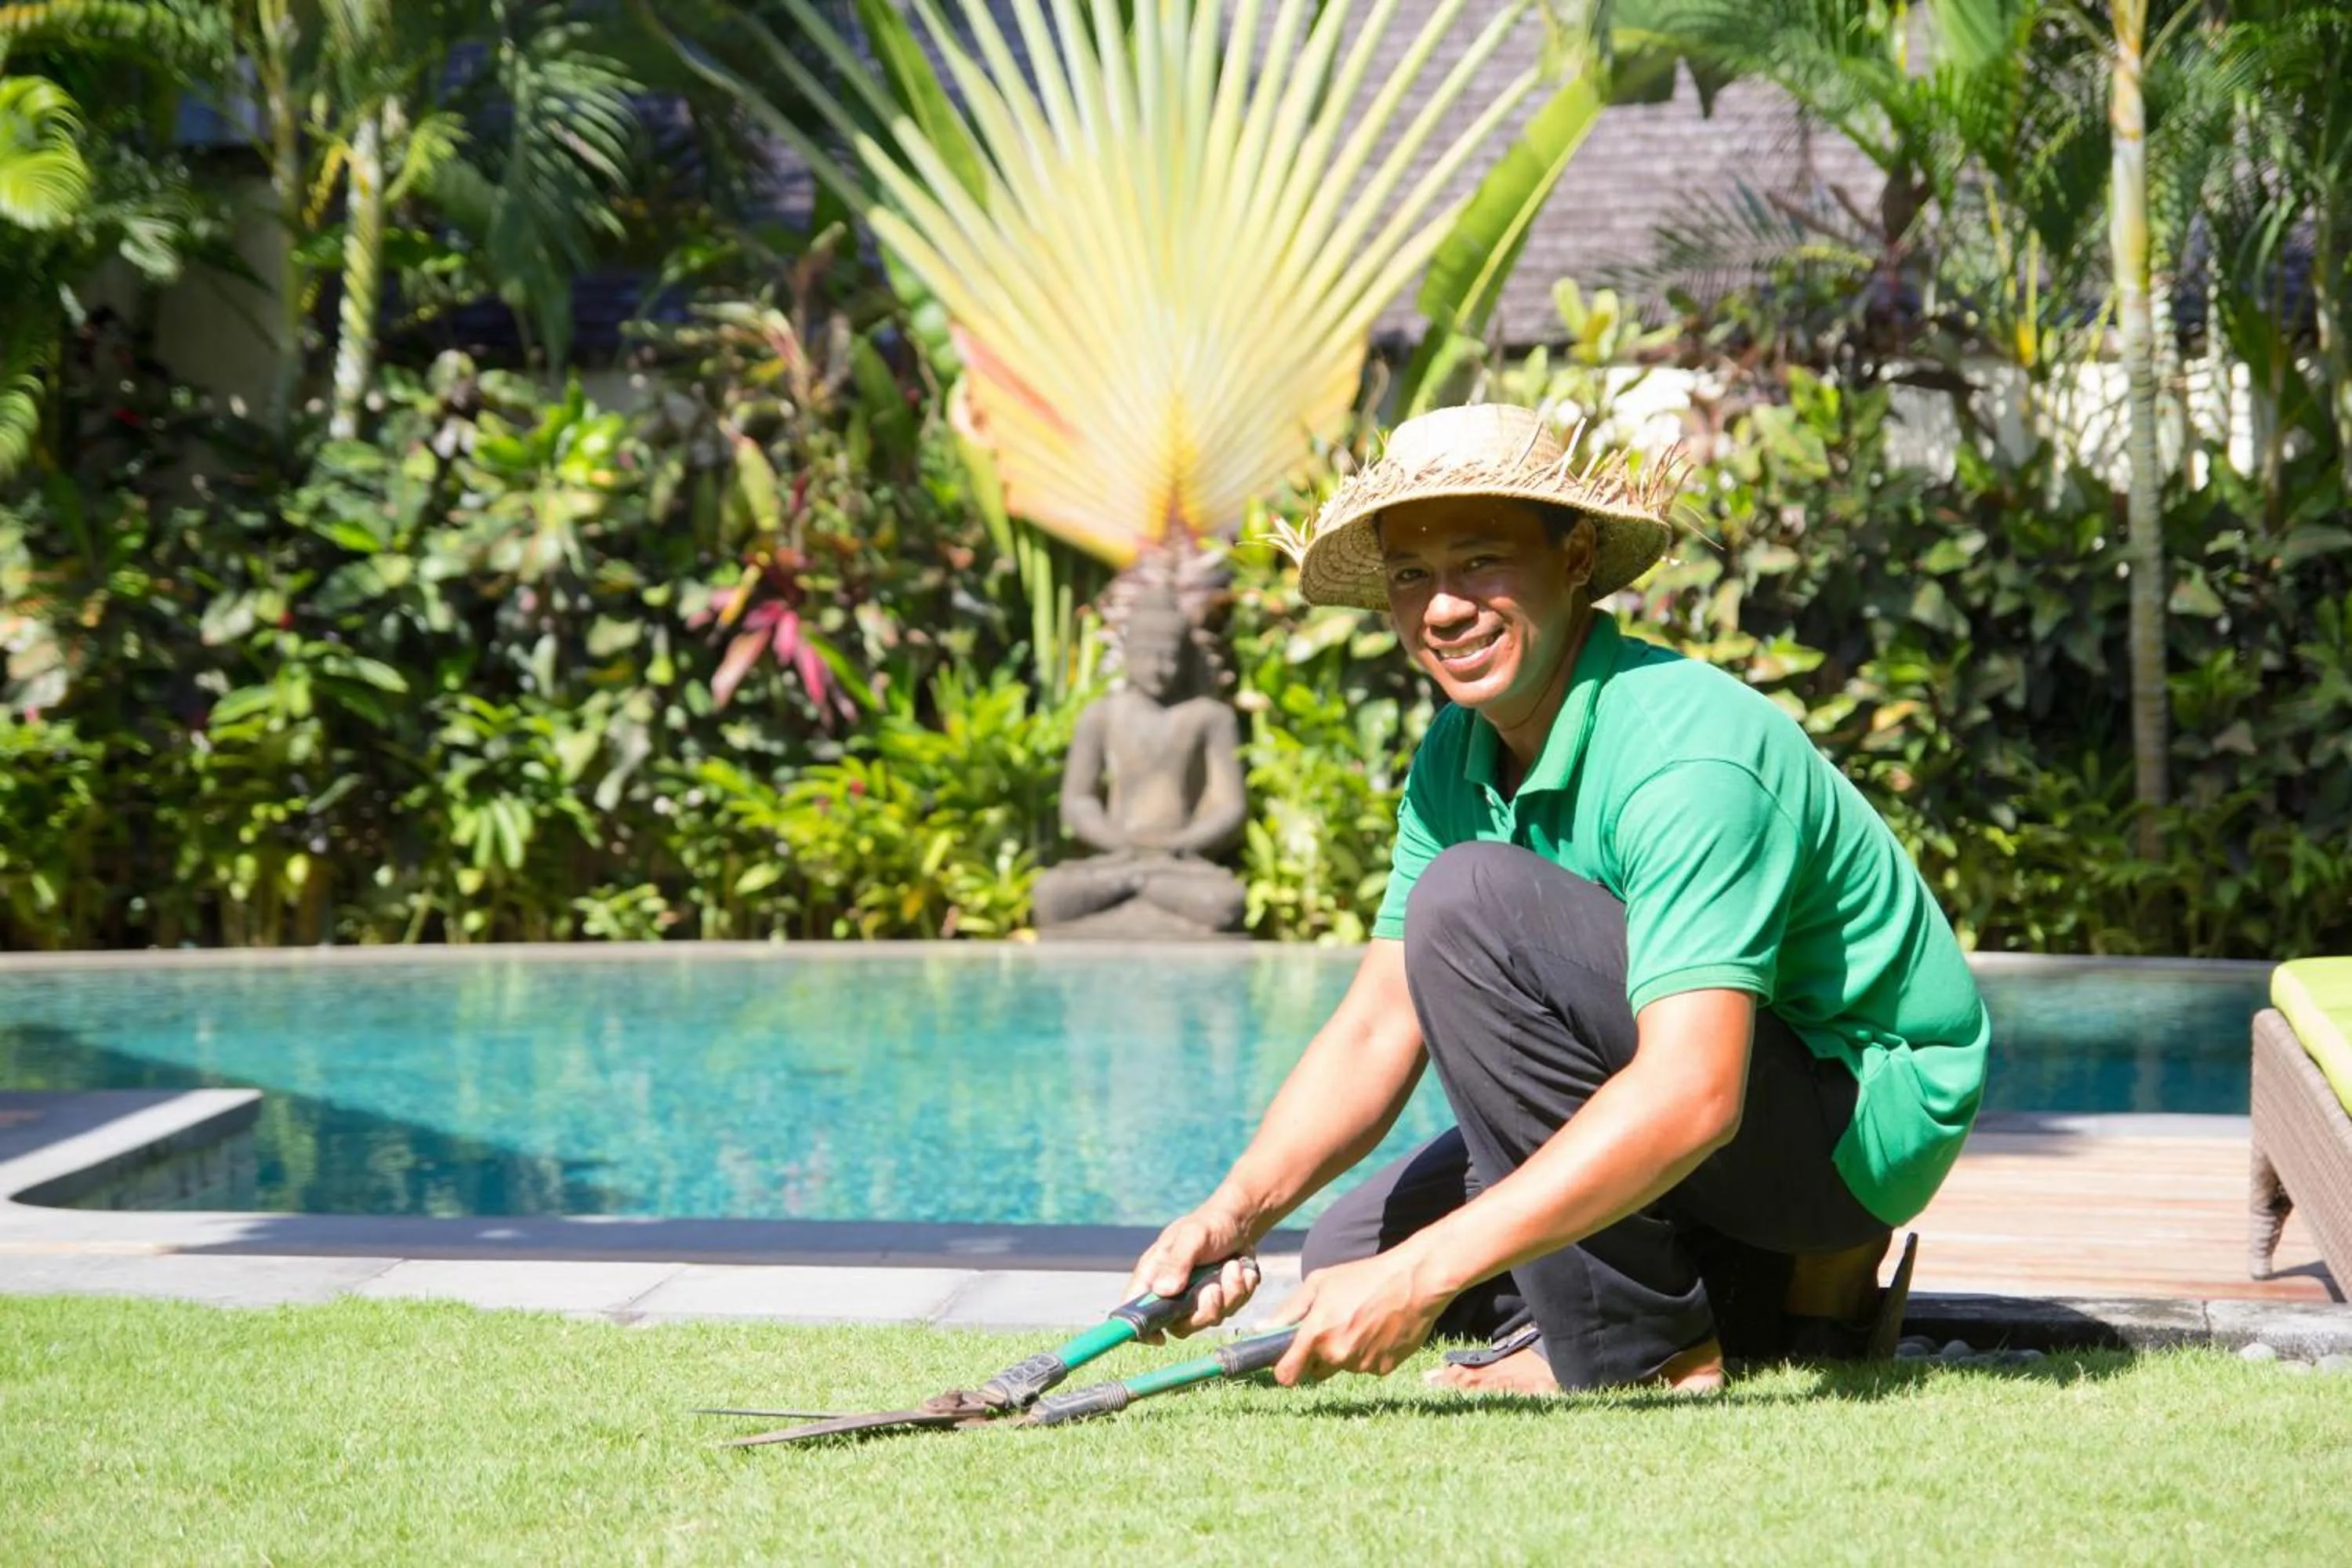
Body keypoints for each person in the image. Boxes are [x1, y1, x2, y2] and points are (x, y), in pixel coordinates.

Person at [1124, 403, 1989, 1394]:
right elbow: (1376, 1026)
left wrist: (1420, 1275)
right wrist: (1229, 1215)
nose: (1442, 609)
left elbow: (1696, 1093)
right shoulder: (1458, 751)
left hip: (1843, 1133)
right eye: (1411, 575)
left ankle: (1648, 1352)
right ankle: (1770, 1297)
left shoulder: (1684, 755)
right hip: (1723, 1105)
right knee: (1343, 1253)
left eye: (1481, 560)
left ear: (1575, 556)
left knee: (1465, 907)